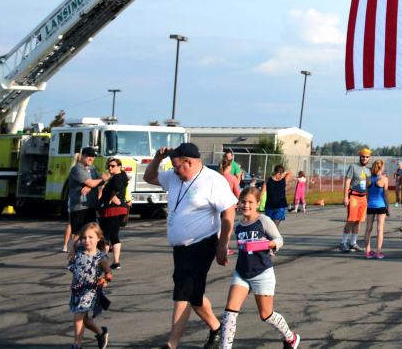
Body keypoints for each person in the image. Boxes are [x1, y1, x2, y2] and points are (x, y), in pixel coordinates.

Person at [144, 142, 237, 349]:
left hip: (202, 243)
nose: (174, 171)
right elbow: (149, 177)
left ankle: (171, 344)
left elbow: (229, 211)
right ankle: (216, 327)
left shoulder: (213, 180)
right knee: (193, 295)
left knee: (182, 293)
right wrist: (158, 159)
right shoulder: (174, 177)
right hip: (180, 248)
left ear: (190, 162)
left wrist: (223, 246)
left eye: (176, 166)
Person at [221, 186, 300, 349]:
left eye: (250, 202)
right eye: (243, 202)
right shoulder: (237, 226)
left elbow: (279, 240)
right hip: (242, 273)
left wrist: (266, 244)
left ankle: (290, 337)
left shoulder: (263, 221)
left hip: (262, 273)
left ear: (258, 203)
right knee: (230, 311)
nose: (246, 205)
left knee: (266, 315)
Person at [67, 222, 112, 349]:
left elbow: (108, 272)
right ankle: (101, 333)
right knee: (84, 319)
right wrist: (71, 250)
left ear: (99, 238)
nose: (87, 240)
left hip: (89, 291)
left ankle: (77, 345)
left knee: (78, 317)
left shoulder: (100, 257)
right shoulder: (79, 250)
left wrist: (106, 279)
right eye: (84, 237)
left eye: (91, 237)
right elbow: (72, 241)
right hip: (76, 290)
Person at [96, 158, 129, 270]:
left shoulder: (116, 178)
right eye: (109, 166)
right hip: (121, 210)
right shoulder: (123, 177)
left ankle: (102, 262)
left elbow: (117, 187)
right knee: (114, 235)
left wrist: (112, 196)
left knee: (104, 236)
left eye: (113, 166)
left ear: (119, 167)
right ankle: (116, 262)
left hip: (111, 210)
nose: (110, 168)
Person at [69, 147, 103, 242]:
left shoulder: (92, 168)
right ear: (83, 156)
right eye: (89, 156)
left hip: (91, 206)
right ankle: (73, 253)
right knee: (79, 234)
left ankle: (86, 255)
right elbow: (95, 182)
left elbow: (98, 181)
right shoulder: (77, 169)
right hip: (80, 207)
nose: (91, 158)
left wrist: (91, 185)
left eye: (93, 157)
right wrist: (93, 183)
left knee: (90, 234)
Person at [340, 150, 371, 252]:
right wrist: (345, 197)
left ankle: (353, 243)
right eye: (363, 157)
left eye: (367, 157)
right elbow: (347, 181)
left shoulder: (368, 170)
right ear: (360, 157)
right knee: (351, 220)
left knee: (358, 221)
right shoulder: (353, 167)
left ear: (369, 158)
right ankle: (343, 242)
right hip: (353, 196)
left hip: (363, 198)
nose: (365, 159)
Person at [363, 159, 391, 259]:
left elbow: (367, 194)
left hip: (370, 205)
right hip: (381, 205)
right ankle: (379, 252)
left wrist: (369, 202)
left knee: (368, 228)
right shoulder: (384, 179)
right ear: (381, 167)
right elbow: (386, 194)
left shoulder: (368, 179)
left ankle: (368, 251)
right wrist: (388, 207)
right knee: (380, 228)